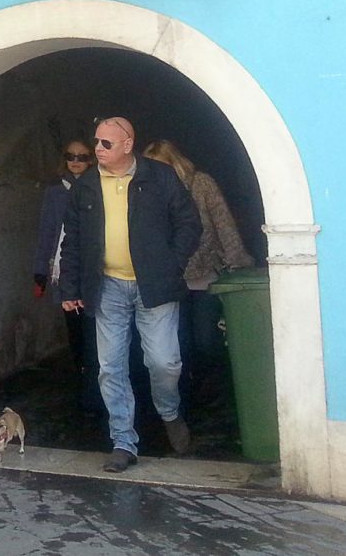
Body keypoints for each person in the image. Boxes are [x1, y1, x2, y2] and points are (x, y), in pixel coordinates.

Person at [59, 117, 202, 473]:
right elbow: (73, 239)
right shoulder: (87, 186)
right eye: (96, 142)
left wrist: (171, 264)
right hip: (107, 286)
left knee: (164, 362)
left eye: (106, 144)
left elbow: (190, 223)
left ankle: (169, 413)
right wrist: (70, 287)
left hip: (155, 285)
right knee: (110, 368)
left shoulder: (159, 177)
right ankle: (123, 441)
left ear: (127, 145)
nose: (97, 150)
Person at [143, 140, 254, 404]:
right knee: (179, 343)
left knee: (206, 338)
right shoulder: (147, 191)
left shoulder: (201, 184)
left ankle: (214, 381)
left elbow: (223, 223)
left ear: (175, 163)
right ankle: (189, 393)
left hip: (205, 275)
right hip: (171, 279)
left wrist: (238, 263)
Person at [32, 139, 102, 413]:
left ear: (91, 160)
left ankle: (98, 384)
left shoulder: (99, 188)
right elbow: (46, 232)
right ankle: (84, 380)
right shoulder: (54, 193)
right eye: (70, 156)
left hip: (95, 270)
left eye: (82, 157)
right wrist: (40, 270)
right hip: (64, 270)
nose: (76, 161)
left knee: (96, 327)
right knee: (75, 330)